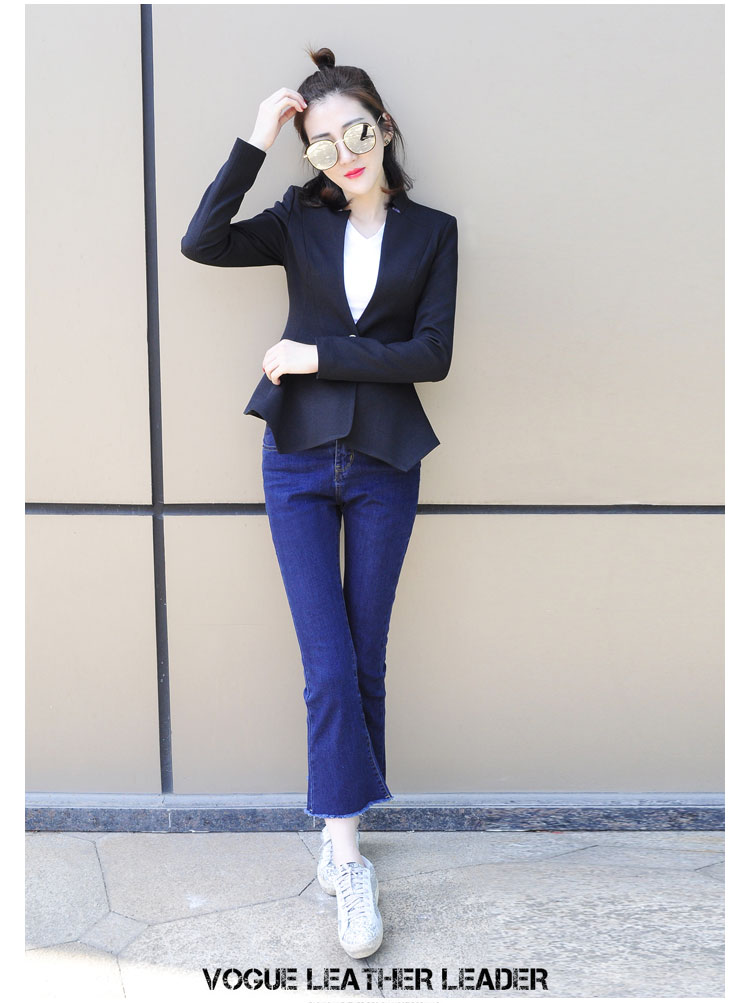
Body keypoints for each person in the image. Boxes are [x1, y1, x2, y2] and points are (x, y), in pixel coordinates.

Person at [181, 46, 458, 960]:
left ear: (384, 127)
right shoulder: (298, 219)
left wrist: (317, 354)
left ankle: (344, 832)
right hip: (296, 458)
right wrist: (258, 138)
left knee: (365, 658)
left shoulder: (434, 232)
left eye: (357, 133)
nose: (345, 154)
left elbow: (430, 355)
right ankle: (345, 857)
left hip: (386, 461)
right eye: (324, 143)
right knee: (328, 666)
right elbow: (203, 240)